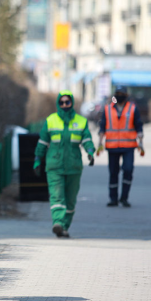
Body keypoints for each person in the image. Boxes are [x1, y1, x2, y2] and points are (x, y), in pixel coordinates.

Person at [33, 90, 95, 238]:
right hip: (54, 165)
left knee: (70, 199)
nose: (65, 105)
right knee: (56, 196)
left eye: (67, 102)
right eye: (62, 102)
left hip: (74, 166)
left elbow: (87, 139)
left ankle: (65, 227)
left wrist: (90, 152)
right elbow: (42, 142)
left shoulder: (81, 121)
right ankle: (58, 222)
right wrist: (37, 159)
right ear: (58, 103)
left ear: (72, 103)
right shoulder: (51, 120)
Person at [97, 85, 144, 207]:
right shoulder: (107, 109)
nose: (119, 95)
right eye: (117, 93)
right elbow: (102, 126)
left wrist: (141, 141)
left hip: (128, 146)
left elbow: (138, 125)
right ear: (114, 95)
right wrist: (99, 143)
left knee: (128, 170)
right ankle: (113, 199)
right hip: (112, 146)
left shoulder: (133, 109)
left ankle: (124, 198)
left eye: (121, 93)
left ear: (126, 96)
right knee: (113, 173)